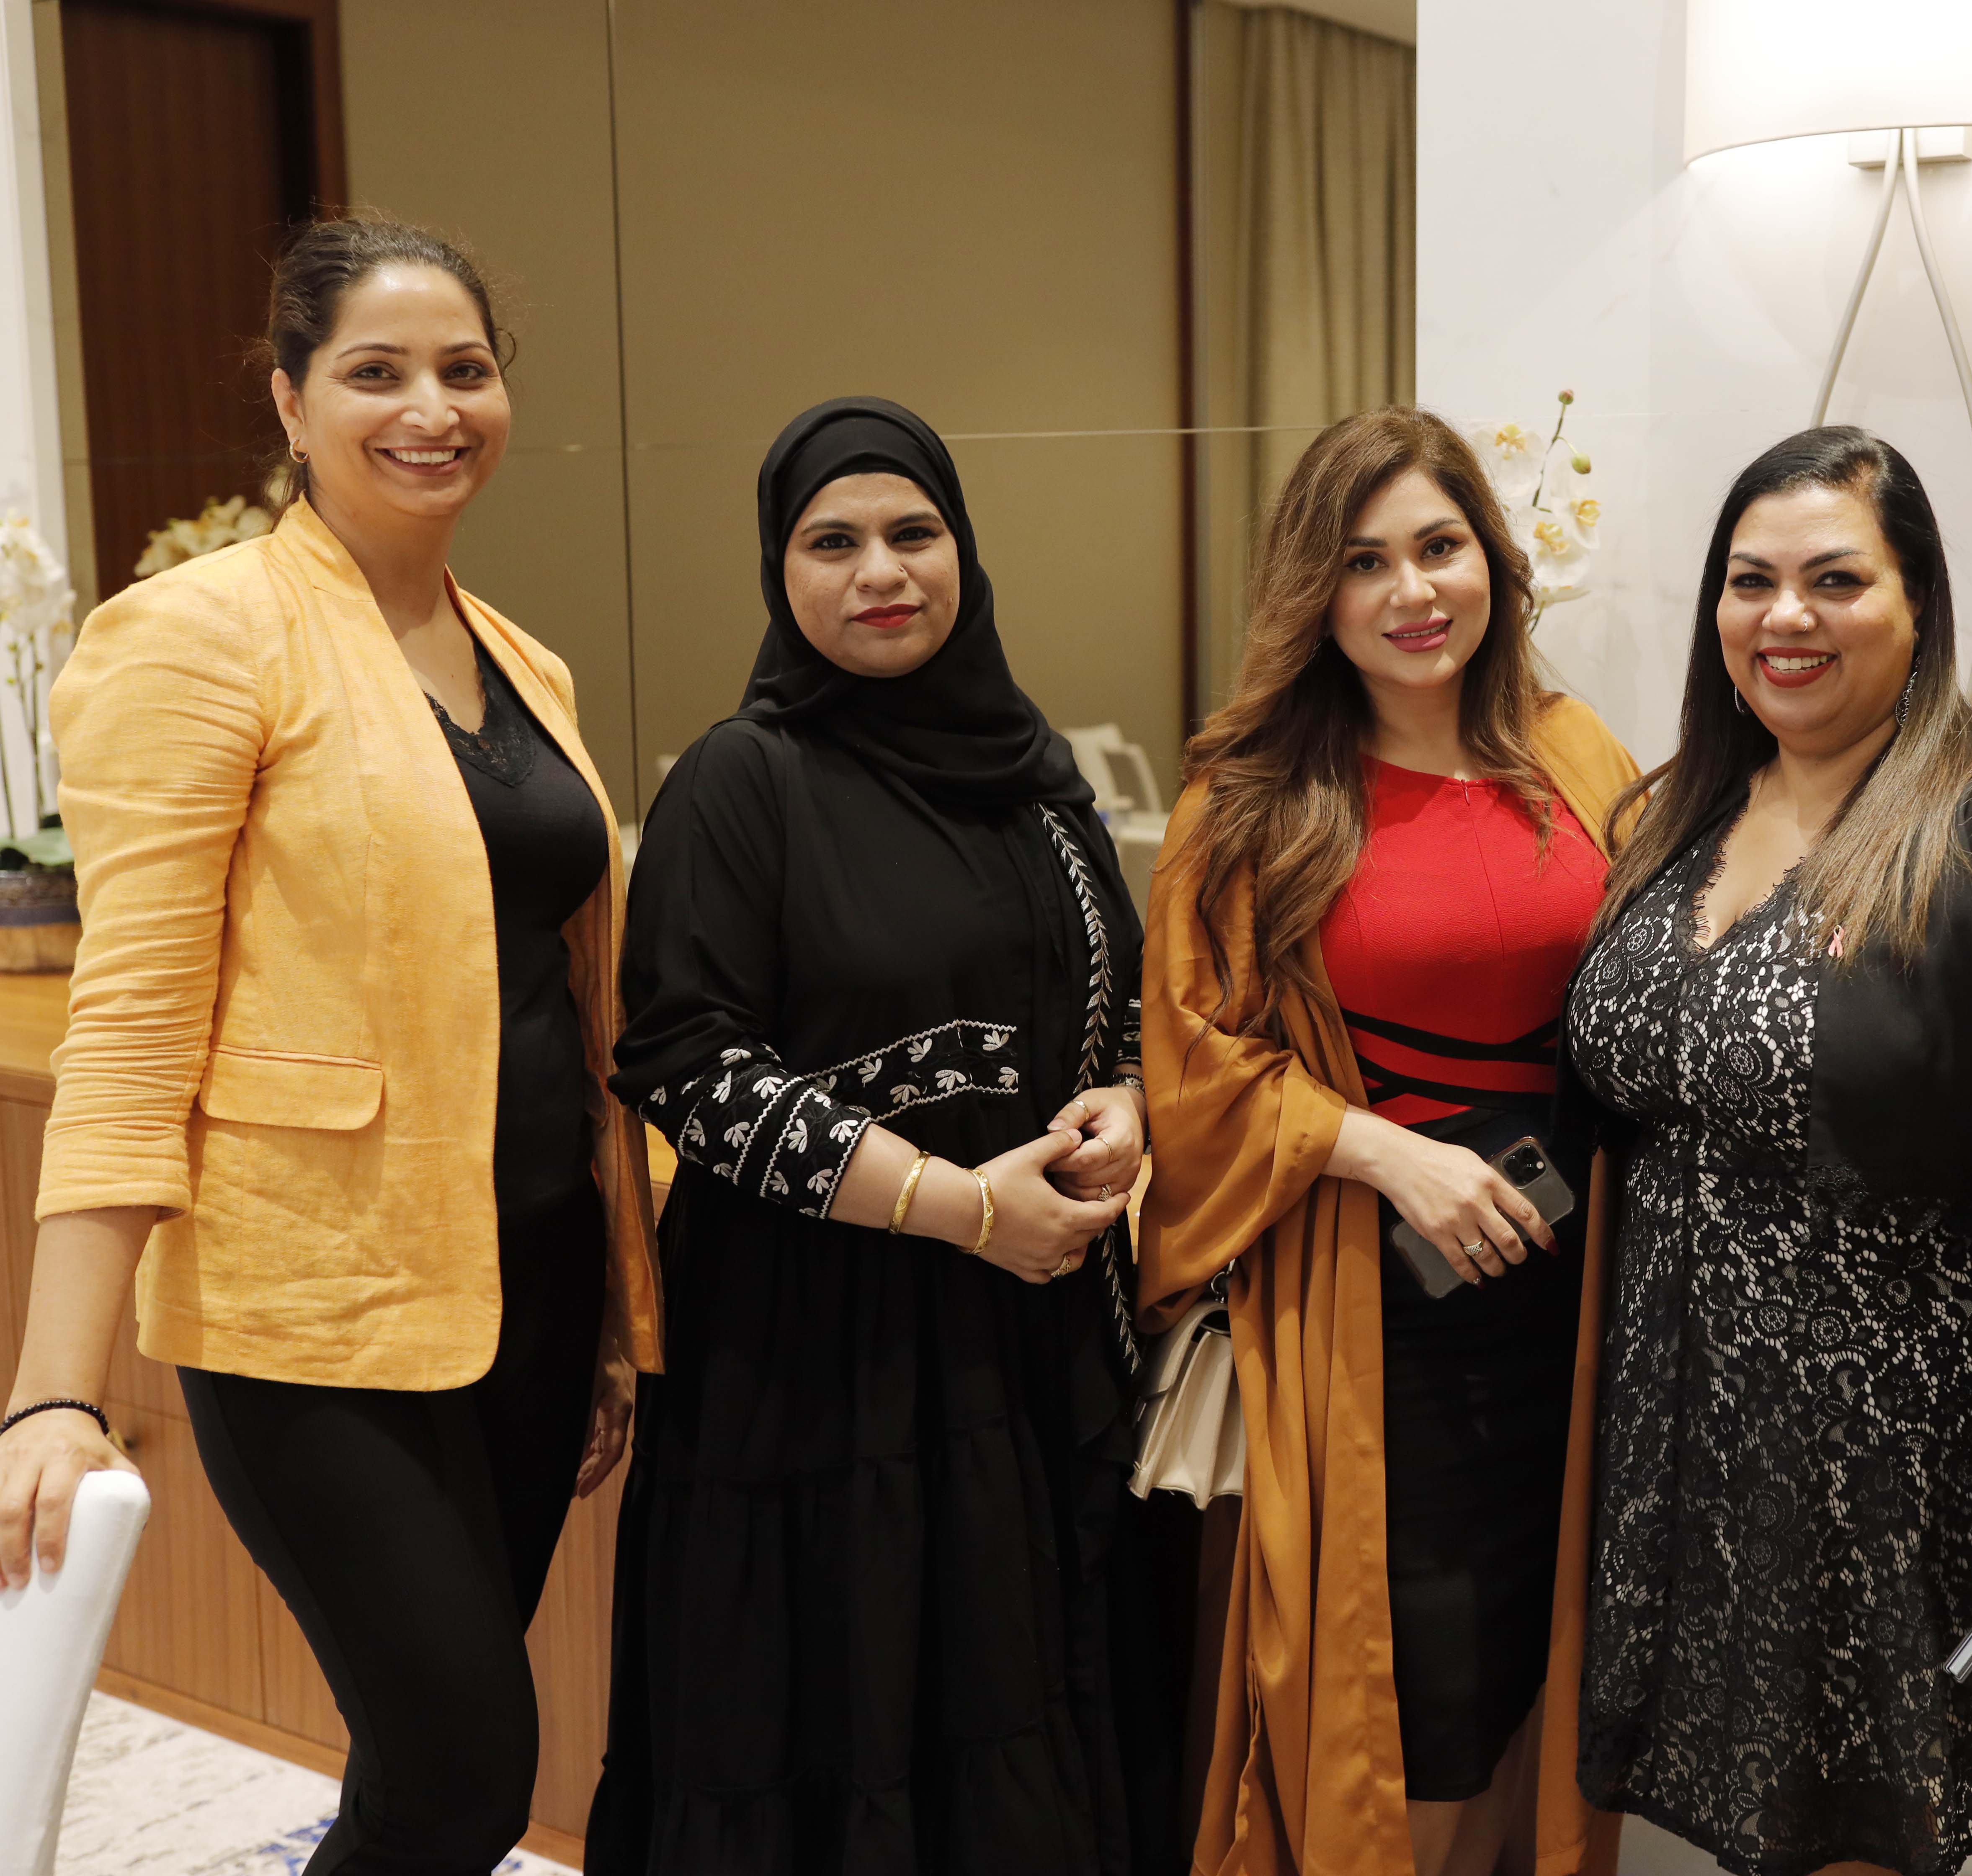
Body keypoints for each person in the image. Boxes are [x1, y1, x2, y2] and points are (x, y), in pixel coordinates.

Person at [0, 214, 656, 1871]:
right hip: (311, 1312)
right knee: (464, 1775)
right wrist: (55, 1391)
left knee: (426, 1774)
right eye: (378, 372)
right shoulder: (196, 634)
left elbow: (557, 997)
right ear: (291, 401)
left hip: (528, 1280)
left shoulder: (526, 660)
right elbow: (130, 1025)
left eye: (466, 369)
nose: (432, 408)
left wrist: (607, 1314)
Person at [1564, 427, 1972, 1876]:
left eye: (1836, 580)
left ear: (1919, 604)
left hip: (1895, 1465)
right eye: (1751, 581)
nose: (1787, 617)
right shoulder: (1673, 814)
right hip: (1684, 1435)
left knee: (1861, 1842)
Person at [583, 397, 1160, 1874]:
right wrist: (962, 1209)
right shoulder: (742, 779)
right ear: (779, 573)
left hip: (1018, 1345)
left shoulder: (1037, 779)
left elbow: (1121, 1001)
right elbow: (687, 1068)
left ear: (964, 548)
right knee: (825, 1732)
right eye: (830, 543)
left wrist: (1127, 1101)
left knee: (1009, 1716)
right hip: (808, 1361)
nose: (881, 572)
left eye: (914, 532)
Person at [1139, 406, 1640, 1876]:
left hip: (1578, 1302)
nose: (1414, 592)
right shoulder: (1251, 800)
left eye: (1440, 547)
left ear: (1493, 560)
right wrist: (1380, 1151)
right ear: (1317, 593)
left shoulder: (1576, 753)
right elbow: (1192, 1064)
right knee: (1411, 1684)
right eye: (1366, 563)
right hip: (1379, 1311)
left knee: (1530, 1670)